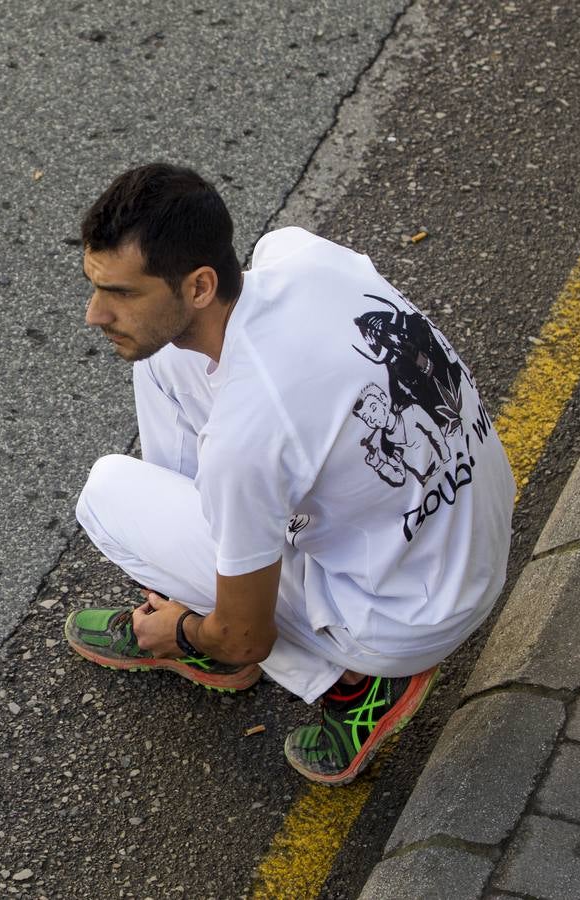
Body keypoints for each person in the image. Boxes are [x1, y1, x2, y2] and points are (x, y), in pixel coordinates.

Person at [65, 163, 514, 784]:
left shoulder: (247, 438)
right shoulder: (301, 255)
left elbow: (246, 637)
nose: (95, 314)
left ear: (199, 286)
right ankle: (195, 583)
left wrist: (189, 632)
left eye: (121, 293)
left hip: (408, 617)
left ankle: (353, 686)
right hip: (472, 535)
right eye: (96, 287)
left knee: (107, 494)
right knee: (160, 360)